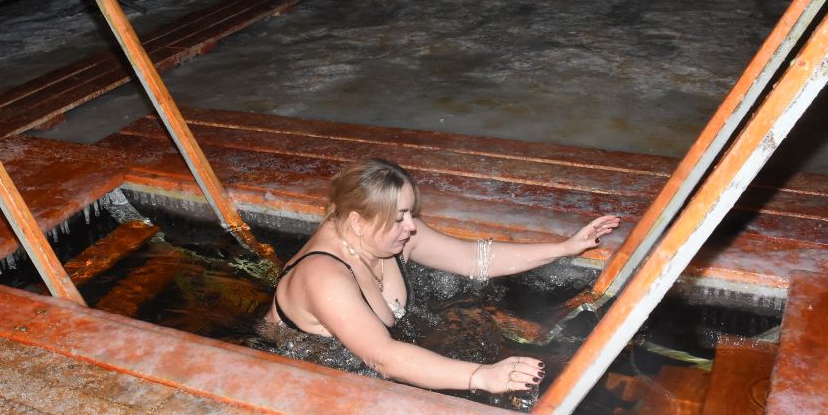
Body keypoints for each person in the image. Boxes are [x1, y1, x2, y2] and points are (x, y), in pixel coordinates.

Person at [265, 158, 620, 394]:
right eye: (400, 217)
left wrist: (563, 248)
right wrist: (481, 376)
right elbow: (383, 357)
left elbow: (473, 259)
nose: (411, 226)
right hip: (305, 377)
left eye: (410, 213)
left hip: (372, 359)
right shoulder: (323, 277)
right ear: (358, 222)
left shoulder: (382, 235)